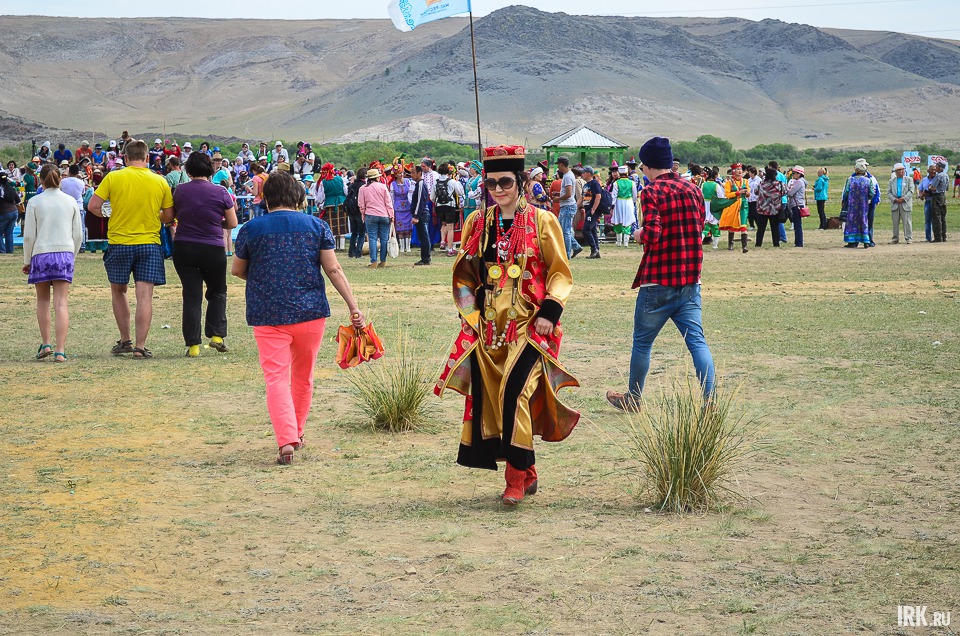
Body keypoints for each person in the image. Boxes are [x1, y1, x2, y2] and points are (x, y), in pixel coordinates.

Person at [434, 144, 579, 506]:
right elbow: (465, 278)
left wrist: (549, 312)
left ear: (521, 182)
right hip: (489, 330)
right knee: (494, 402)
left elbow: (560, 273)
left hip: (531, 326)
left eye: (506, 182)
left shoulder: (543, 221)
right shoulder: (478, 223)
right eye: (492, 183)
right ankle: (527, 470)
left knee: (517, 394)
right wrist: (470, 313)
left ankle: (514, 479)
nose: (498, 190)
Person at [231, 170, 365, 465]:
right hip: (310, 313)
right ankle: (298, 432)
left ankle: (286, 440)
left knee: (276, 378)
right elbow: (333, 270)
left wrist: (264, 276)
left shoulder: (251, 229)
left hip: (268, 314)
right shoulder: (316, 226)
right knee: (303, 377)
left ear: (266, 198)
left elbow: (237, 270)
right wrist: (353, 306)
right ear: (297, 197)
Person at [606, 137, 715, 410]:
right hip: (690, 278)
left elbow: (652, 232)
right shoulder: (693, 190)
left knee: (642, 343)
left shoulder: (651, 192)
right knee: (697, 343)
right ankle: (710, 400)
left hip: (657, 281)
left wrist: (638, 233)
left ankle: (633, 398)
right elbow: (700, 225)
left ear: (649, 165)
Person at [87, 140, 174, 358]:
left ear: (125, 158)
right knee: (144, 296)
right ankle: (140, 346)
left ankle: (125, 339)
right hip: (149, 244)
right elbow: (170, 216)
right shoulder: (159, 181)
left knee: (119, 291)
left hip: (119, 242)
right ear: (147, 158)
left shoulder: (114, 177)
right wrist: (157, 216)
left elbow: (93, 206)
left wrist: (110, 215)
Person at [165, 152, 238, 358]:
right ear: (211, 169)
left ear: (188, 170)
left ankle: (193, 346)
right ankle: (216, 336)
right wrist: (217, 224)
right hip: (212, 248)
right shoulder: (221, 191)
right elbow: (232, 223)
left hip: (184, 247)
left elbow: (169, 217)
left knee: (191, 295)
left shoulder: (179, 190)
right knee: (217, 291)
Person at [22, 164, 83, 362]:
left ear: (40, 180)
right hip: (64, 252)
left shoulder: (34, 201)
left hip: (41, 254)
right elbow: (78, 234)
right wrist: (71, 257)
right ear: (60, 179)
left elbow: (29, 236)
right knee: (61, 303)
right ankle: (60, 350)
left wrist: (26, 260)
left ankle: (46, 343)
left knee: (43, 301)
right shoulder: (71, 201)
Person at [358, 168, 394, 268]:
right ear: (377, 177)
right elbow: (388, 202)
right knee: (384, 239)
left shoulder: (363, 188)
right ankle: (383, 261)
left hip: (370, 215)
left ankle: (373, 261)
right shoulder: (383, 187)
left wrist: (363, 215)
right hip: (384, 215)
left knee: (372, 239)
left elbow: (361, 205)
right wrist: (391, 215)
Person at [552, 156, 582, 258]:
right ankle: (576, 246)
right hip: (566, 206)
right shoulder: (568, 175)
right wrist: (559, 194)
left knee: (565, 231)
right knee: (562, 229)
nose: (558, 167)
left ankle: (567, 254)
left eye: (558, 165)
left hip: (567, 206)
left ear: (561, 164)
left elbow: (569, 194)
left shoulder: (567, 176)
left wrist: (558, 199)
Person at [432, 163, 465, 257]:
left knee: (443, 223)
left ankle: (442, 241)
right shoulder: (452, 182)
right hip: (450, 205)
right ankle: (450, 249)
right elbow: (460, 192)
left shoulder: (436, 182)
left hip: (439, 206)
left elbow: (432, 197)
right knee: (450, 227)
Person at [841, 159, 875, 248]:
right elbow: (871, 192)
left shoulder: (850, 180)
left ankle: (852, 242)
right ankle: (866, 241)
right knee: (863, 221)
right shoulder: (868, 180)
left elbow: (846, 192)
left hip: (852, 206)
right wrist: (867, 198)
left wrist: (844, 201)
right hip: (863, 205)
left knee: (852, 222)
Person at [720, 163, 750, 253]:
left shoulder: (745, 181)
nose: (739, 171)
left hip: (743, 205)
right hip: (733, 204)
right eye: (737, 169)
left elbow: (748, 193)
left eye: (740, 169)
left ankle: (744, 246)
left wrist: (747, 193)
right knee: (732, 225)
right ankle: (730, 244)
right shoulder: (729, 182)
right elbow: (727, 194)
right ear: (733, 171)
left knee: (743, 224)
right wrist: (737, 193)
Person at [754, 166, 786, 248]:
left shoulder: (761, 184)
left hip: (762, 209)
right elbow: (786, 192)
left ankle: (758, 243)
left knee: (761, 228)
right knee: (775, 228)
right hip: (775, 209)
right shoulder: (779, 184)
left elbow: (756, 192)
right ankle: (776, 243)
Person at [319, 163, 348, 250]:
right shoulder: (340, 179)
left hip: (329, 204)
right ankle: (342, 246)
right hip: (341, 203)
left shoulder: (323, 182)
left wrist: (320, 203)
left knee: (332, 225)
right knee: (342, 224)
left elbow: (321, 197)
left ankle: (334, 246)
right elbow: (345, 191)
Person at [611, 165, 638, 246]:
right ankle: (626, 242)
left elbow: (614, 195)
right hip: (629, 202)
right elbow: (634, 195)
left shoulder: (616, 183)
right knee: (628, 220)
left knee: (618, 220)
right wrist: (633, 202)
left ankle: (619, 241)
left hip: (619, 202)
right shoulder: (632, 183)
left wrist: (613, 204)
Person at [410, 165, 432, 266]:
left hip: (422, 214)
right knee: (423, 236)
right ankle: (425, 257)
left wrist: (416, 216)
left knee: (424, 236)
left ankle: (425, 258)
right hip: (422, 213)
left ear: (419, 173)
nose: (412, 175)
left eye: (413, 172)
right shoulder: (418, 184)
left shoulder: (420, 184)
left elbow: (420, 201)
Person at [888, 163, 914, 244]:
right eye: (900, 170)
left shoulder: (909, 179)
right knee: (895, 222)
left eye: (903, 169)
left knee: (907, 222)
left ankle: (908, 237)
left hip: (905, 203)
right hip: (895, 204)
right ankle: (895, 238)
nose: (902, 171)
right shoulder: (891, 181)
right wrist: (894, 199)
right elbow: (888, 192)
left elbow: (911, 191)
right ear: (896, 171)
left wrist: (904, 198)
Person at [580, 166, 603, 258]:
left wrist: (593, 209)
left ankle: (594, 249)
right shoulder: (586, 185)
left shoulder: (594, 184)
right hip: (588, 209)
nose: (582, 174)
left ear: (589, 173)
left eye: (584, 173)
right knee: (593, 230)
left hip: (592, 211)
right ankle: (596, 250)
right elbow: (583, 198)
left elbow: (598, 196)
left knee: (586, 229)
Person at [390, 168, 414, 253]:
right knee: (400, 227)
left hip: (408, 206)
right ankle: (402, 246)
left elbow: (411, 193)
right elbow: (392, 197)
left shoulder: (408, 182)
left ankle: (408, 246)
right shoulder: (393, 184)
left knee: (408, 227)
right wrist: (391, 207)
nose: (402, 175)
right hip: (398, 207)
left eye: (402, 173)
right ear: (396, 175)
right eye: (399, 173)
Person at [345, 167, 366, 259]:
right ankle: (358, 253)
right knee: (361, 233)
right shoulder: (364, 186)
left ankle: (351, 252)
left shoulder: (351, 185)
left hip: (351, 210)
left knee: (354, 233)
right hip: (359, 211)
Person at [0, 172, 22, 253]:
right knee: (9, 233)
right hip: (14, 212)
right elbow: (18, 201)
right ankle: (10, 252)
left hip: (3, 213)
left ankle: (2, 251)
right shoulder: (11, 188)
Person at [927, 162, 949, 242]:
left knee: (936, 217)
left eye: (936, 166)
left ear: (939, 167)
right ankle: (944, 236)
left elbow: (933, 187)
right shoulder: (946, 175)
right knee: (943, 217)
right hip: (943, 196)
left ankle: (938, 237)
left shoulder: (938, 176)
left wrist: (930, 187)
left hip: (936, 197)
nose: (935, 168)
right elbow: (947, 188)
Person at [787, 165, 807, 248]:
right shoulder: (800, 182)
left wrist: (787, 189)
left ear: (799, 174)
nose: (793, 175)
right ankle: (798, 242)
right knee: (797, 224)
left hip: (796, 205)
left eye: (794, 173)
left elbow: (790, 193)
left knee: (797, 225)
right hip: (798, 204)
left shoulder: (799, 182)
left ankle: (799, 243)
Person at [918, 165, 937, 242]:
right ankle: (928, 237)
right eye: (932, 169)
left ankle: (937, 237)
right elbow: (920, 189)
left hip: (935, 201)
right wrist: (921, 195)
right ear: (928, 171)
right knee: (927, 220)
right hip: (928, 201)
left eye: (935, 170)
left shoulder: (937, 179)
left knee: (936, 220)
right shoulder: (925, 180)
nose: (934, 171)